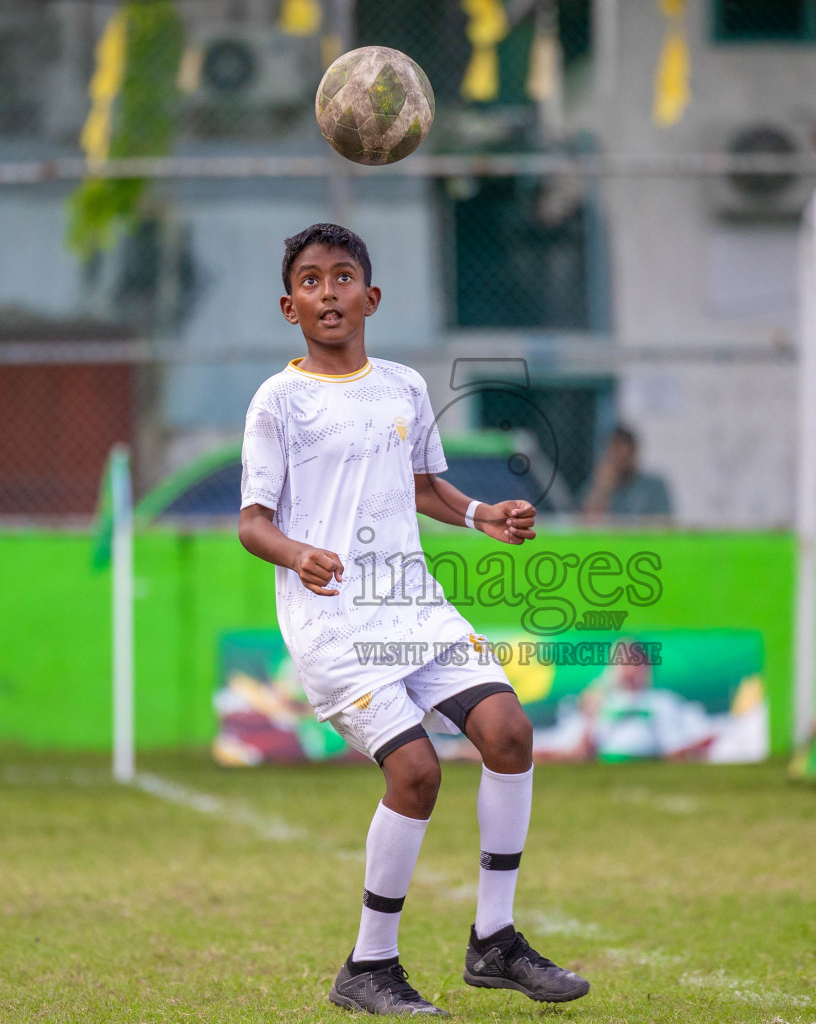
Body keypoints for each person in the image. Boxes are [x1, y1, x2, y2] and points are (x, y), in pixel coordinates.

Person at [237, 224, 590, 1016]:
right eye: (312, 280)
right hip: (334, 628)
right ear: (289, 305)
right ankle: (369, 967)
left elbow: (427, 486)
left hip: (416, 607)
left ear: (372, 296)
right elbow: (251, 522)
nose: (329, 292)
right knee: (416, 773)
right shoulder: (280, 400)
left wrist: (481, 515)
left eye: (343, 277)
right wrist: (297, 554)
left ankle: (494, 942)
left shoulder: (402, 386)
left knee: (508, 731)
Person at [581, 425, 673, 521]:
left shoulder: (654, 486)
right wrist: (602, 489)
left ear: (634, 453)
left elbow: (664, 523)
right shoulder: (597, 484)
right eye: (615, 455)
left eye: (624, 457)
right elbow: (586, 523)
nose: (619, 460)